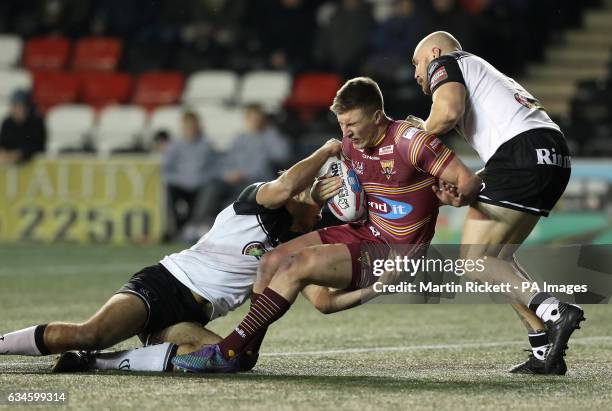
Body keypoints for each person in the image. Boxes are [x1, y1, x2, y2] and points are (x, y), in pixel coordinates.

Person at [171, 77, 482, 373]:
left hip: (394, 250)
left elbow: (467, 182)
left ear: (377, 116)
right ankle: (246, 353)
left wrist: (455, 198)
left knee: (298, 265)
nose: (346, 131)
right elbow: (349, 191)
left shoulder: (410, 142)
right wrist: (316, 192)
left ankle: (226, 351)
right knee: (271, 260)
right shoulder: (350, 143)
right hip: (364, 230)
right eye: (341, 124)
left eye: (353, 123)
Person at [0, 140, 363, 373]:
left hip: (192, 313)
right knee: (90, 332)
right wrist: (327, 152)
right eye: (321, 206)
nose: (322, 214)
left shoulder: (297, 247)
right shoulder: (260, 198)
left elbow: (324, 302)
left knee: (227, 360)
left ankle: (96, 363)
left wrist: (374, 288)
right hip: (166, 285)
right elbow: (286, 185)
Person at [409, 31, 584, 374]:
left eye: (416, 63)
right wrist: (464, 191)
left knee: (475, 261)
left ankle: (554, 311)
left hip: (522, 154)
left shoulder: (447, 63)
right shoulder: (483, 73)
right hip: (550, 153)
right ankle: (543, 347)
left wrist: (417, 135)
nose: (416, 74)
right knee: (496, 260)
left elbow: (446, 113)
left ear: (433, 52)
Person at [160, 111, 216, 241]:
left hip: (201, 184)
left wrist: (203, 178)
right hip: (180, 185)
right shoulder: (174, 146)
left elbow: (214, 167)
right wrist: (181, 179)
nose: (191, 129)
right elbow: (166, 170)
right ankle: (175, 229)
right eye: (188, 126)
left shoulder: (206, 145)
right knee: (169, 190)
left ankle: (195, 226)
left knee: (211, 189)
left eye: (193, 125)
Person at [0, 90, 46, 165]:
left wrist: (20, 154)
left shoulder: (36, 122)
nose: (18, 109)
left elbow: (39, 145)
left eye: (21, 106)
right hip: (9, 162)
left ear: (27, 107)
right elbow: (3, 142)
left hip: (33, 164)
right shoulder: (7, 123)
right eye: (16, 106)